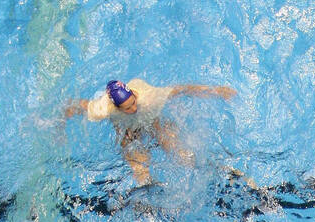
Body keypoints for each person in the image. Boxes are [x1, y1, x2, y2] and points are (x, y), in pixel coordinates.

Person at [63, 77, 237, 185]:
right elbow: (77, 106)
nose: (133, 109)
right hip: (128, 131)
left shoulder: (148, 98)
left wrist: (217, 91)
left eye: (133, 102)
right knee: (140, 172)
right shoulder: (104, 108)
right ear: (116, 106)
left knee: (184, 156)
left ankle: (221, 171)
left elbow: (181, 89)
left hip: (153, 122)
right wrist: (60, 123)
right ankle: (150, 194)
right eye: (127, 108)